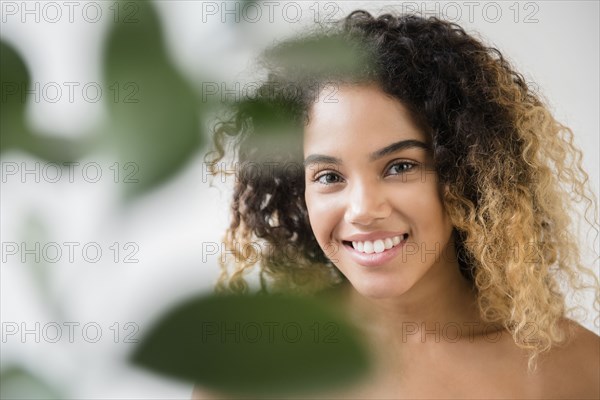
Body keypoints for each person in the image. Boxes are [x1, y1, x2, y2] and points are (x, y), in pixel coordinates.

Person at [197, 10, 600, 399]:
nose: (363, 210)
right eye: (329, 177)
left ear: (465, 173)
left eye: (400, 166)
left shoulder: (576, 370)